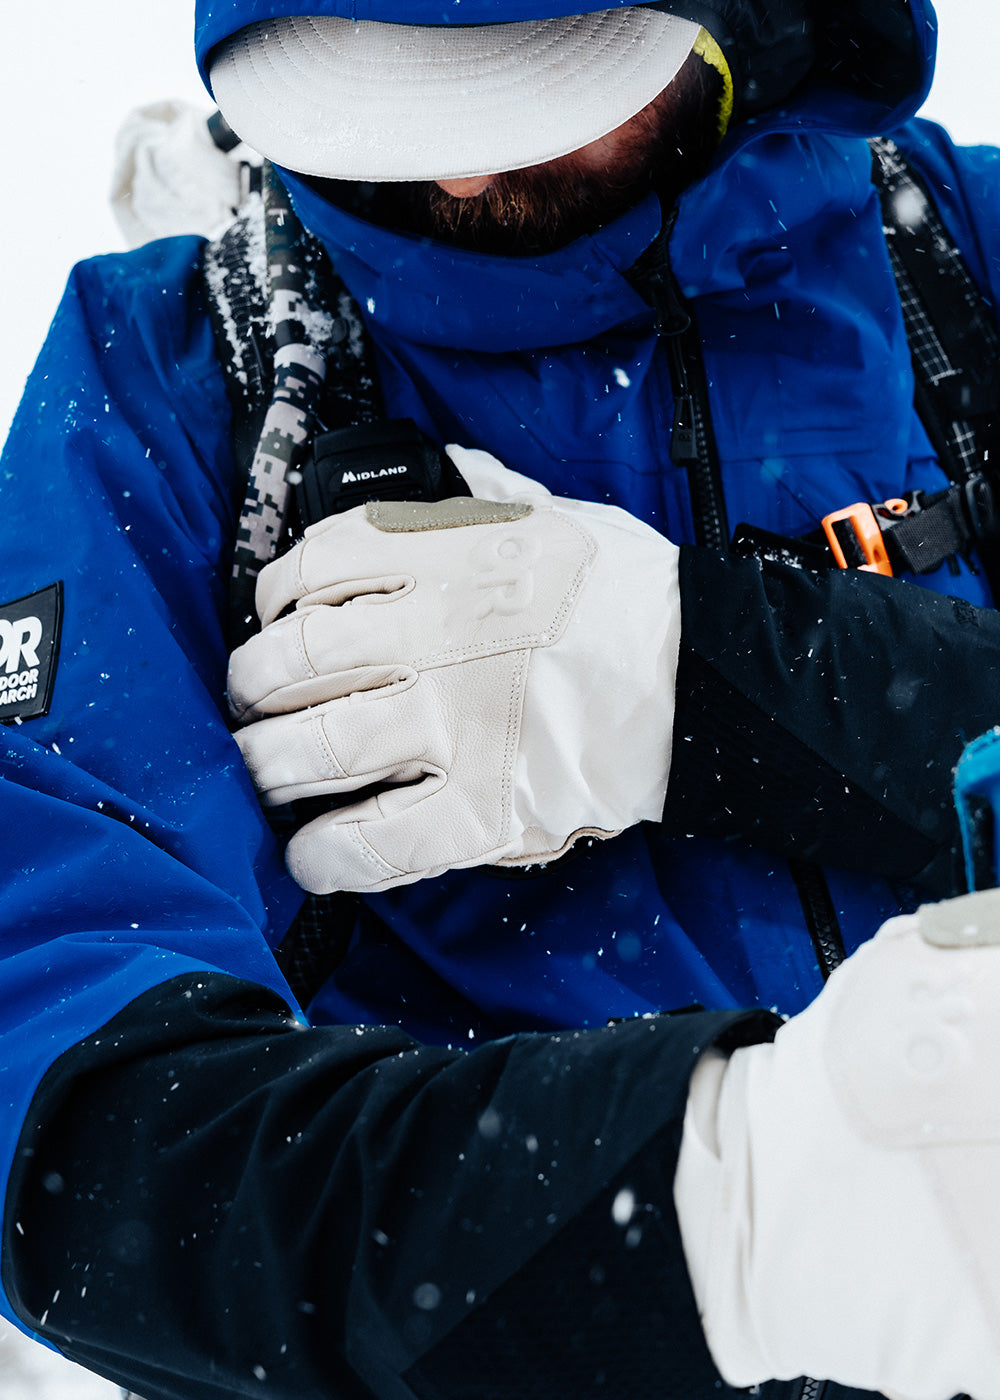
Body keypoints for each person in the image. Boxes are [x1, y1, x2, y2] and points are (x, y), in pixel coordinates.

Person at [5, 1, 1000, 1398]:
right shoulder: (168, 397)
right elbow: (80, 1136)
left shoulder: (964, 268)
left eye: (527, 94)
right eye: (383, 109)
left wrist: (710, 680)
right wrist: (722, 1206)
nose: (460, 177)